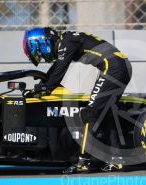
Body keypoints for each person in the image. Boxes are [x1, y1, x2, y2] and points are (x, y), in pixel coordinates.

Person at [23, 27, 132, 173]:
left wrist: (44, 88)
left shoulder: (67, 43)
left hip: (113, 68)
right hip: (119, 66)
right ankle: (118, 160)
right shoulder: (67, 40)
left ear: (41, 43)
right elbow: (57, 68)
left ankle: (84, 162)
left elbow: (60, 70)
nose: (42, 56)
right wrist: (44, 86)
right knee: (106, 114)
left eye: (39, 53)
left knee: (90, 113)